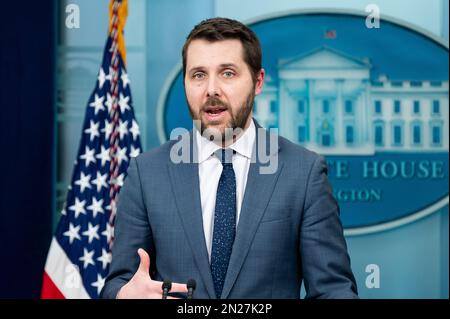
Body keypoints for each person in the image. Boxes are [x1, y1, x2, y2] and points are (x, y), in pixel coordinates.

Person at [101, 17, 358, 299]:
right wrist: (123, 296)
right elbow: (118, 284)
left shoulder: (304, 173)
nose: (211, 89)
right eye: (198, 74)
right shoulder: (146, 174)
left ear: (258, 82)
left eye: (227, 73)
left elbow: (333, 291)